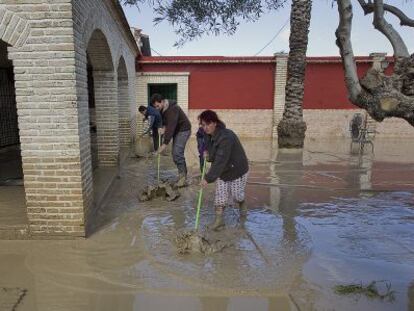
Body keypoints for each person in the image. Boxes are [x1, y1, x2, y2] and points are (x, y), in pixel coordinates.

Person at [199, 110, 249, 230]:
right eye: (203, 125)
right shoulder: (207, 134)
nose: (205, 128)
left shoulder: (226, 137)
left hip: (237, 169)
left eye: (207, 124)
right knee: (220, 196)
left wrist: (208, 178)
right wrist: (207, 154)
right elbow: (212, 152)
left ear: (215, 123)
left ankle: (242, 203)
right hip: (222, 170)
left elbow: (220, 160)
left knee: (237, 196)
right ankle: (219, 221)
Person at [150, 93, 191, 187]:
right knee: (175, 155)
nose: (156, 108)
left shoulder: (173, 109)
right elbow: (165, 122)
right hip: (176, 131)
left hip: (184, 130)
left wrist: (164, 144)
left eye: (157, 106)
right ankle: (182, 175)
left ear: (162, 101)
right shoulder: (161, 109)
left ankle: (183, 178)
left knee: (177, 153)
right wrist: (163, 128)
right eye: (155, 107)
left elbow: (171, 126)